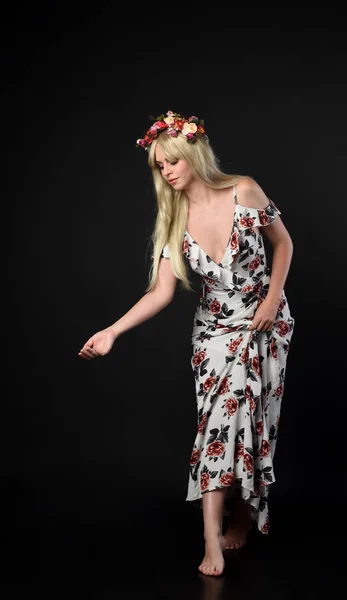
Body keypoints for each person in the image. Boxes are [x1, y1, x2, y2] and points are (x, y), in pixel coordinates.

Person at [79, 110, 295, 576]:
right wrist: (112, 331)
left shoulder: (245, 190)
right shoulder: (173, 220)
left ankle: (243, 515)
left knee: (255, 428)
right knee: (218, 427)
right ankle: (209, 538)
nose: (168, 171)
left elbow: (284, 244)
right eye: (160, 166)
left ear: (192, 153)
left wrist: (273, 300)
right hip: (215, 335)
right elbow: (160, 292)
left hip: (266, 325)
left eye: (172, 160)